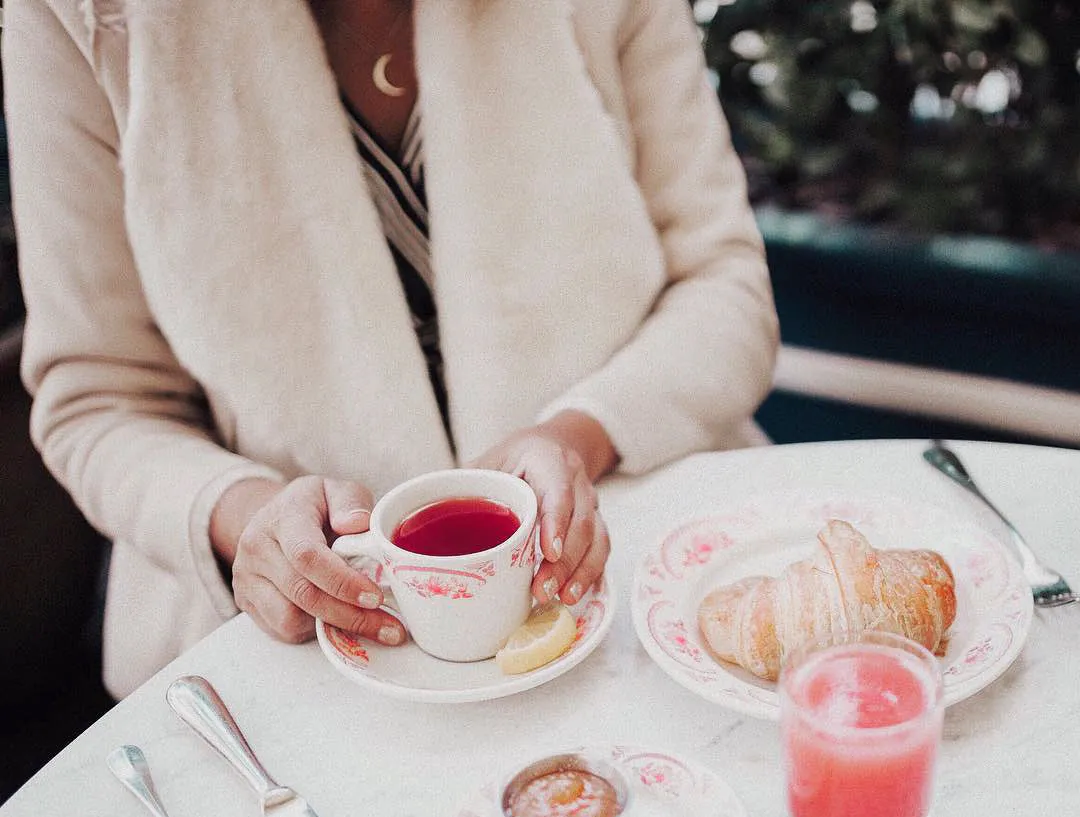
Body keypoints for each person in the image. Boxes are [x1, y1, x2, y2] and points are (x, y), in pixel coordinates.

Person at [3, 0, 779, 699]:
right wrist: (248, 520)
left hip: (642, 587)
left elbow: (726, 284)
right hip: (292, 665)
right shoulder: (78, 15)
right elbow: (97, 401)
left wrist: (579, 435)